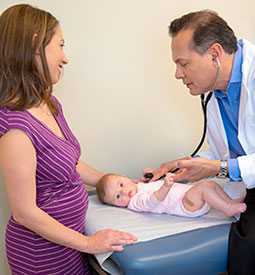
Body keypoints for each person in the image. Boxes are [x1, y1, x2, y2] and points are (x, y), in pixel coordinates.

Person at [0, 4, 136, 275]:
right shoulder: (16, 128)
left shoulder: (48, 103)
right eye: (60, 45)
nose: (65, 57)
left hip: (69, 244)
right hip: (42, 256)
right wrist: (88, 243)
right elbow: (24, 212)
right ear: (34, 45)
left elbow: (66, 162)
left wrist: (108, 180)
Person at [142, 10, 255, 275]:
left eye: (183, 63)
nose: (177, 74)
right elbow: (224, 153)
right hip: (249, 185)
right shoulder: (217, 94)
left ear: (215, 54)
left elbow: (223, 164)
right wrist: (185, 165)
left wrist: (218, 168)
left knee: (248, 244)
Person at [96, 173, 246, 217]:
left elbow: (142, 185)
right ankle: (226, 208)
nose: (123, 192)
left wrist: (145, 179)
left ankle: (229, 201)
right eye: (117, 197)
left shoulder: (137, 187)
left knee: (210, 184)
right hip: (185, 204)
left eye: (121, 184)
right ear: (117, 205)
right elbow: (152, 200)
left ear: (126, 178)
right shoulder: (135, 202)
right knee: (204, 188)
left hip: (187, 195)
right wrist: (166, 186)